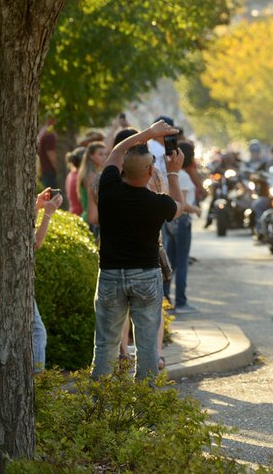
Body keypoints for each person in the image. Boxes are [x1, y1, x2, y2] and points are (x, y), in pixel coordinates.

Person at [91, 119, 185, 381]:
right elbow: (179, 205)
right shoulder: (156, 203)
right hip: (145, 275)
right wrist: (174, 171)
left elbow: (116, 151)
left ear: (123, 170)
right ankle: (144, 410)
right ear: (149, 171)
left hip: (109, 275)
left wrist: (149, 133)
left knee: (105, 347)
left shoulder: (108, 189)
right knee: (147, 350)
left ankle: (99, 406)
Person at [163, 141, 202, 313]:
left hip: (172, 222)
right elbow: (183, 204)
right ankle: (181, 302)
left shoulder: (175, 174)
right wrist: (197, 209)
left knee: (170, 262)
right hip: (182, 220)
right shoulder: (183, 176)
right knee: (181, 262)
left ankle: (166, 299)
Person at [33, 188, 63, 372]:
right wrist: (47, 214)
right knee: (38, 333)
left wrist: (36, 207)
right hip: (18, 285)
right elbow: (35, 243)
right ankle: (37, 381)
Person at [37, 114, 58, 189]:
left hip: (44, 170)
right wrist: (58, 169)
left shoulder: (43, 131)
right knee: (53, 198)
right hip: (50, 171)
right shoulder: (49, 133)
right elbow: (51, 154)